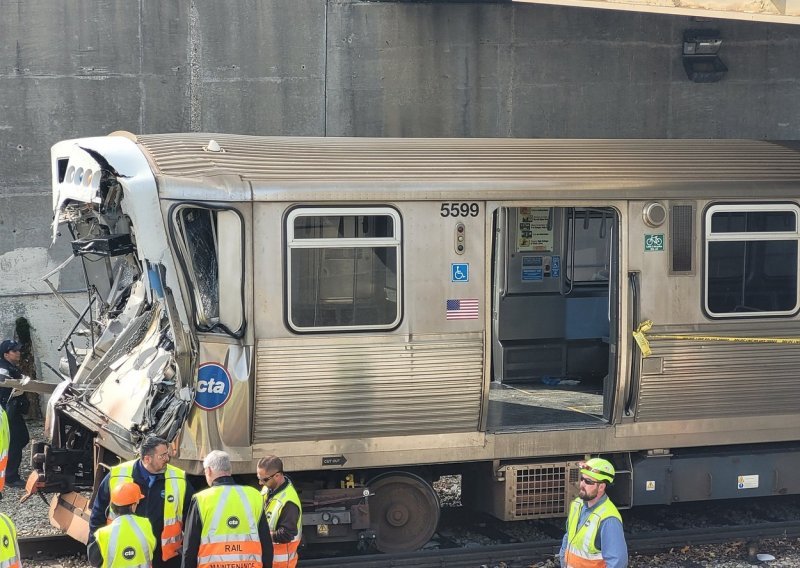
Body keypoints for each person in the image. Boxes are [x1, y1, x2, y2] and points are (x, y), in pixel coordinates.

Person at [89, 435, 193, 568]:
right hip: (128, 555)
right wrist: (94, 545)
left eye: (167, 454)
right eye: (162, 456)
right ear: (147, 459)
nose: (167, 459)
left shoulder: (178, 478)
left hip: (166, 558)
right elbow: (98, 513)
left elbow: (191, 516)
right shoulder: (118, 475)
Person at [182, 450, 272, 568]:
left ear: (208, 471)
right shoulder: (254, 496)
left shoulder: (201, 499)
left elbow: (190, 548)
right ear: (229, 470)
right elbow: (266, 543)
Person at [560, 458, 628, 568]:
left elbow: (617, 562)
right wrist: (563, 560)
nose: (582, 484)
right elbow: (568, 537)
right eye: (582, 479)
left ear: (601, 487)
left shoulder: (608, 519)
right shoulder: (577, 505)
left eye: (588, 482)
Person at [88, 481, 156, 567]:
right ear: (133, 506)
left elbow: (93, 560)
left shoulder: (103, 534)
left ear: (112, 506)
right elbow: (151, 547)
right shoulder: (146, 525)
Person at [257, 455, 302, 568]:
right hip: (268, 560)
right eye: (259, 478)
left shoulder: (289, 501)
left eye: (264, 479)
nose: (260, 483)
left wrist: (261, 534)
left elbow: (286, 534)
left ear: (277, 476)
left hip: (281, 564)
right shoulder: (267, 489)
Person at [0, 340, 29, 488]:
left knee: (22, 438)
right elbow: (3, 393)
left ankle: (8, 472)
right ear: (6, 354)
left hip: (13, 412)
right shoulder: (3, 371)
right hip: (7, 414)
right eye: (14, 350)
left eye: (18, 350)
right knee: (15, 442)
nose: (18, 352)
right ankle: (11, 477)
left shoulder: (10, 368)